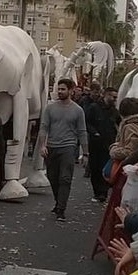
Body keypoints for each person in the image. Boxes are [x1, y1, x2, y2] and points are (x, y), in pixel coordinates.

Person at [39, 78, 88, 221]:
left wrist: (85, 153)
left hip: (68, 147)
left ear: (71, 91)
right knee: (53, 177)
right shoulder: (50, 108)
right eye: (58, 89)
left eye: (63, 89)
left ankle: (61, 208)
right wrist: (42, 145)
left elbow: (82, 132)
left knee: (65, 178)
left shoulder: (78, 110)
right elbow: (44, 127)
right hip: (51, 147)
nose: (60, 92)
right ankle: (58, 201)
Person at [85, 87, 119, 202]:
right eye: (113, 97)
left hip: (109, 143)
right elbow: (87, 122)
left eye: (116, 97)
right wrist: (94, 132)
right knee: (95, 168)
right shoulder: (94, 108)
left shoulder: (114, 111)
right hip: (96, 143)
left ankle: (103, 192)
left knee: (105, 167)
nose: (114, 99)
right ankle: (97, 191)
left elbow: (119, 123)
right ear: (106, 95)